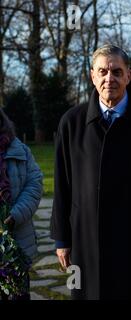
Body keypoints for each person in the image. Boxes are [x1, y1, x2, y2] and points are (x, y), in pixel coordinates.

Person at [50, 44, 131, 299]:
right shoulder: (71, 122)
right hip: (85, 239)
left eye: (117, 72)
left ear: (128, 75)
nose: (110, 79)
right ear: (92, 76)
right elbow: (63, 184)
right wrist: (62, 239)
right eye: (103, 72)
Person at [0, 109, 43, 300]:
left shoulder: (20, 150)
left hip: (16, 244)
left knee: (18, 295)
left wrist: (15, 215)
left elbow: (34, 185)